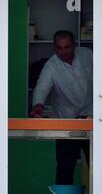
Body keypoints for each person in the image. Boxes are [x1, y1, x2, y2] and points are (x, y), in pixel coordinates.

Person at [30, 30, 93, 185]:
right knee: (65, 168)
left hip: (92, 118)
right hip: (66, 122)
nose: (63, 52)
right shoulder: (51, 65)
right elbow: (42, 87)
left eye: (67, 47)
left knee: (98, 165)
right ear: (54, 48)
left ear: (75, 45)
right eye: (59, 48)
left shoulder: (87, 55)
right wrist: (38, 105)